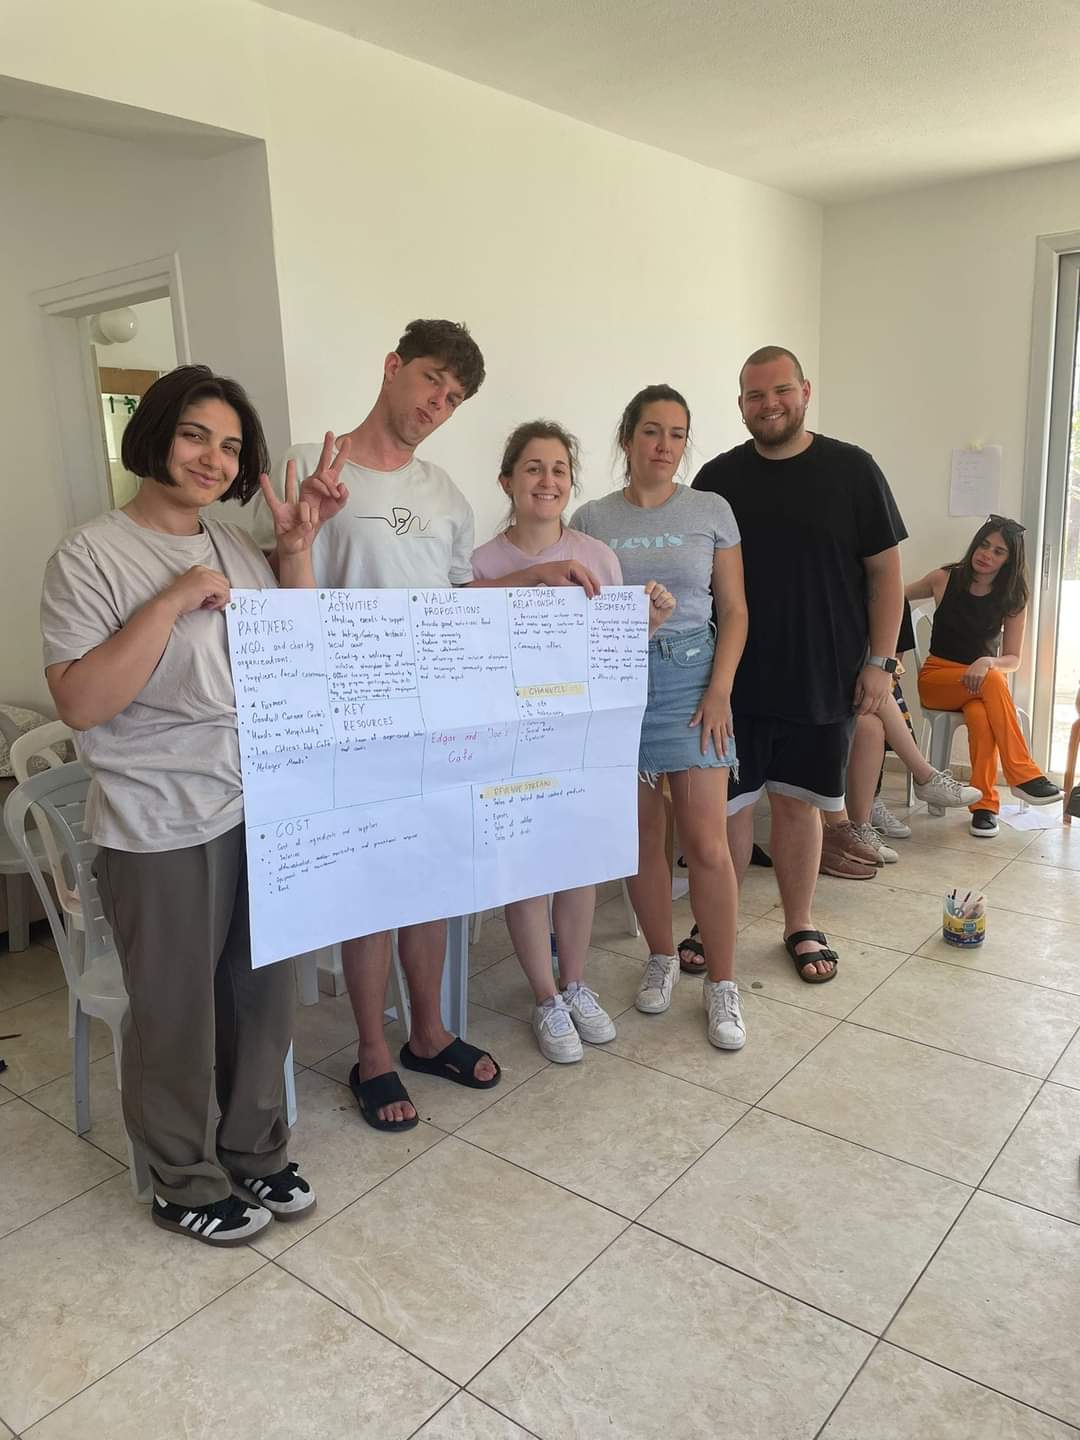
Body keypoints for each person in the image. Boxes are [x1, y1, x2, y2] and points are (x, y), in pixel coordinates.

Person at [273, 320, 606, 1129]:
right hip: (350, 724)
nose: (437, 404)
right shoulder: (312, 469)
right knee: (369, 896)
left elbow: (458, 603)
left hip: (432, 722)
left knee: (428, 883)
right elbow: (278, 604)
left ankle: (427, 1033)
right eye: (431, 381)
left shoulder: (445, 495)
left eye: (453, 398)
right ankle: (372, 1053)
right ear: (392, 367)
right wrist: (301, 533)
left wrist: (532, 577)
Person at [41, 365, 331, 1244]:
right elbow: (82, 701)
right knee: (175, 1013)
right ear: (156, 433)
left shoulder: (235, 545)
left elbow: (298, 655)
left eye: (231, 446)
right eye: (196, 435)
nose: (213, 458)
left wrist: (294, 551)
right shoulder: (90, 554)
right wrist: (169, 600)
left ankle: (253, 1148)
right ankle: (183, 1178)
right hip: (159, 820)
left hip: (259, 804)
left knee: (262, 997)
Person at [693, 346, 905, 984]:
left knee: (799, 807)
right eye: (755, 396)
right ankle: (713, 920)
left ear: (805, 391)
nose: (770, 405)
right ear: (740, 405)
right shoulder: (717, 479)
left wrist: (881, 662)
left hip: (823, 676)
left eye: (781, 390)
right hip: (732, 681)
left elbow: (885, 576)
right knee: (731, 811)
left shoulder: (852, 469)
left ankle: (799, 922)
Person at [472, 420, 676, 1061]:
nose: (547, 480)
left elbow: (613, 657)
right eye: (533, 468)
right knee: (529, 871)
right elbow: (465, 640)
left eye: (559, 469)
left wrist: (647, 624)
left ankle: (576, 982)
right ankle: (544, 996)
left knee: (579, 864)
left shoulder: (599, 557)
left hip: (582, 742)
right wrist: (533, 578)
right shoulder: (483, 563)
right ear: (507, 481)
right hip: (512, 745)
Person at [571, 385, 749, 1050]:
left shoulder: (711, 509)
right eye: (652, 431)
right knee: (641, 841)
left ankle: (722, 983)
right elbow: (581, 611)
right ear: (627, 438)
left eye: (677, 433)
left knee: (705, 844)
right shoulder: (592, 517)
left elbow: (735, 609)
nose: (665, 445)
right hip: (621, 684)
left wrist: (720, 690)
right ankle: (661, 955)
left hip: (693, 681)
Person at [906, 516, 1061, 837]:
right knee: (993, 682)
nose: (987, 554)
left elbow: (1013, 659)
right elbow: (895, 596)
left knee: (981, 715)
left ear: (1009, 560)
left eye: (998, 551)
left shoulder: (1013, 597)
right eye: (984, 545)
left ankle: (985, 806)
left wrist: (988, 661)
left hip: (978, 687)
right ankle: (1022, 774)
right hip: (938, 679)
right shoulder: (944, 578)